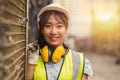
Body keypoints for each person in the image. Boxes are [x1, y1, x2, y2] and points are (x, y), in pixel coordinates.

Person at [28, 3, 93, 80]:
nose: (54, 32)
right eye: (48, 26)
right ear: (41, 29)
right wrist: (31, 63)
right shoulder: (33, 56)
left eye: (59, 26)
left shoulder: (80, 61)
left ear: (66, 29)